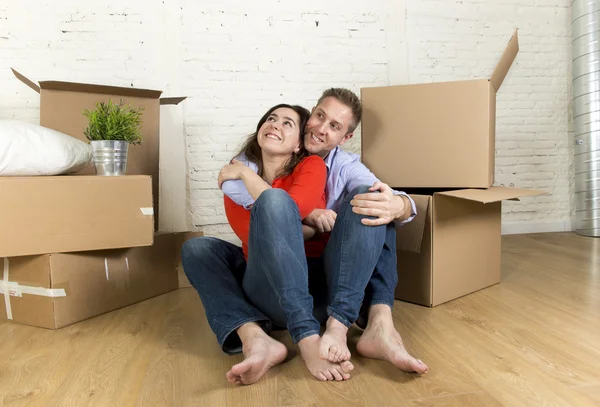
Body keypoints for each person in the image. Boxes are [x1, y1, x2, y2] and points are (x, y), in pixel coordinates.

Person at [220, 88, 429, 375]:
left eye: (334, 126)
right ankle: (253, 333)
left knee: (373, 200)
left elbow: (387, 197)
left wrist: (399, 204)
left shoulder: (339, 166)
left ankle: (366, 324)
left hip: (334, 272)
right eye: (319, 116)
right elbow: (254, 212)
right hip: (275, 273)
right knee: (199, 249)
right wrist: (306, 219)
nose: (320, 128)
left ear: (345, 138)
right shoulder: (255, 156)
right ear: (310, 114)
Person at [182, 102, 355, 385]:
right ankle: (255, 337)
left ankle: (305, 334)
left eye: (288, 123)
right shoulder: (234, 180)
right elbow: (258, 235)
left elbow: (288, 211)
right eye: (271, 118)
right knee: (196, 249)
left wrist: (249, 177)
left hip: (312, 289)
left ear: (300, 144)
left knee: (275, 202)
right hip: (265, 285)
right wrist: (308, 226)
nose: (275, 124)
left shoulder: (310, 166)